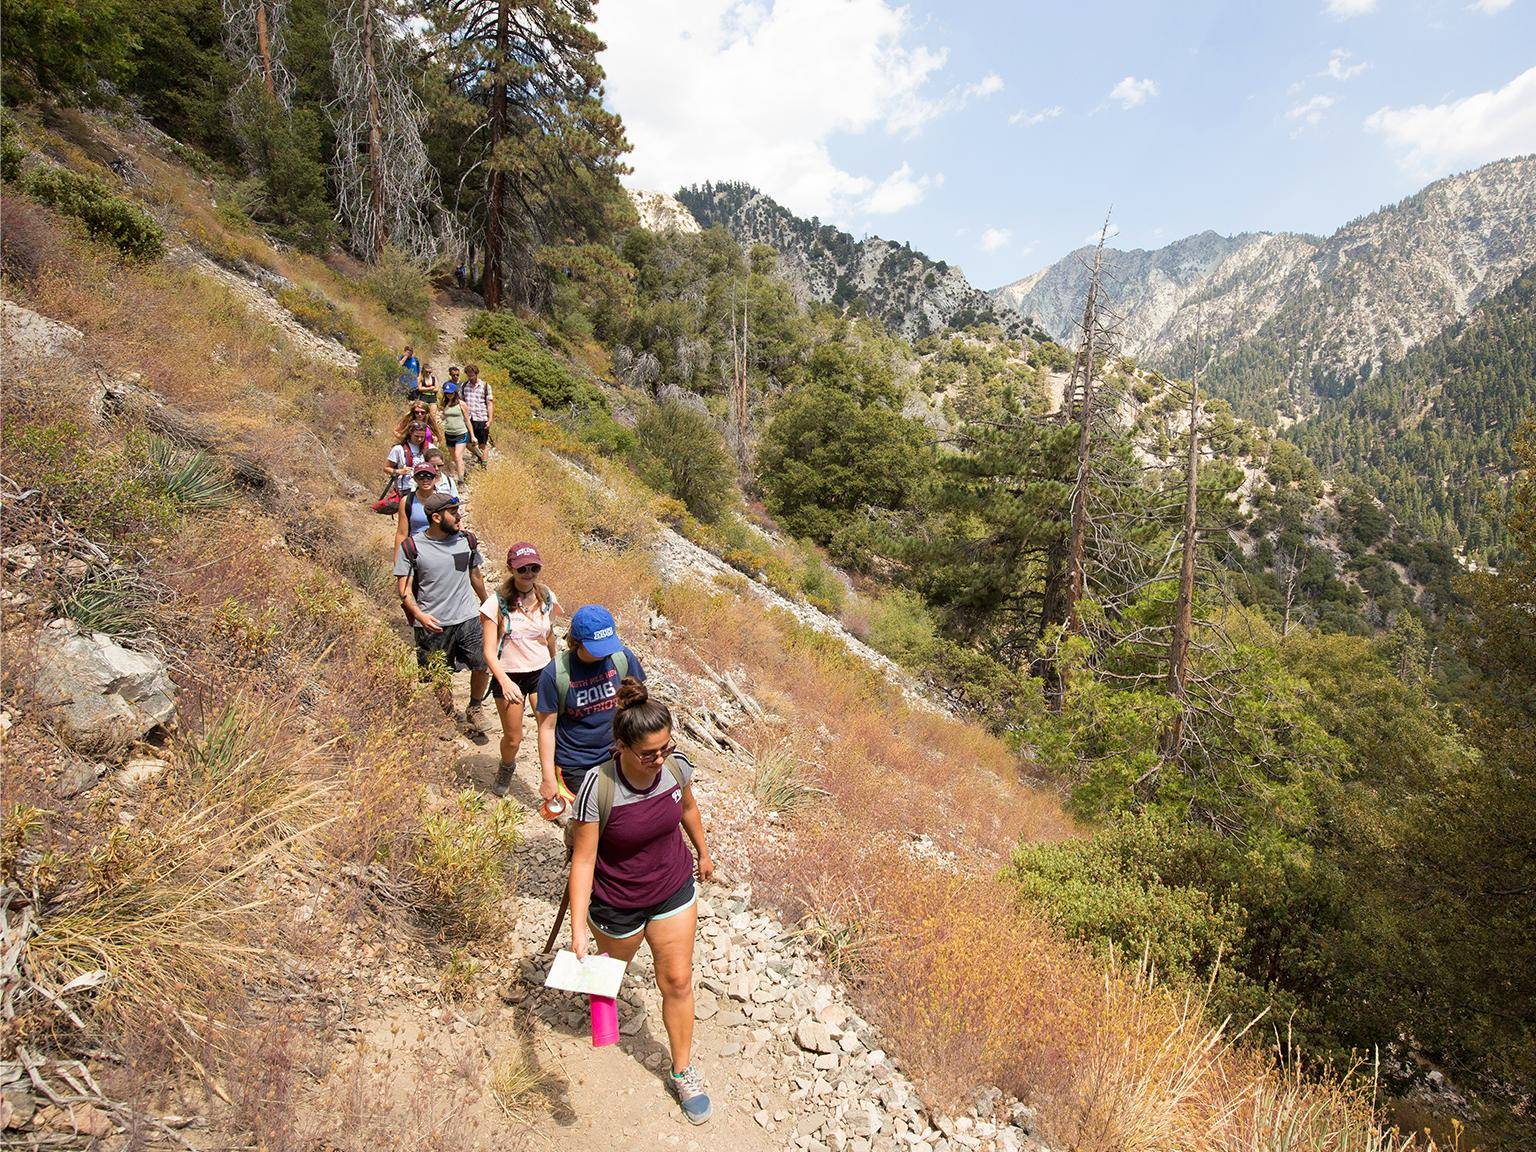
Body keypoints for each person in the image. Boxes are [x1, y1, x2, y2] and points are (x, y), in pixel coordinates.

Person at [568, 679, 715, 1125]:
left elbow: (687, 809)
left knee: (678, 980)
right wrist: (578, 927)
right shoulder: (599, 786)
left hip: (672, 888)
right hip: (617, 900)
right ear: (622, 747)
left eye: (666, 748)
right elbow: (584, 859)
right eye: (649, 754)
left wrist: (703, 852)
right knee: (610, 973)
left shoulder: (676, 769)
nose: (659, 760)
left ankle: (683, 1070)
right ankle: (602, 998)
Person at [394, 492, 491, 731]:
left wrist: (487, 605)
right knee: (439, 674)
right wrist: (420, 616)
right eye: (453, 513)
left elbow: (475, 576)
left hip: (467, 616)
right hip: (432, 622)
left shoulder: (466, 541)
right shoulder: (412, 547)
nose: (459, 517)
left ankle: (475, 707)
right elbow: (404, 590)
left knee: (482, 663)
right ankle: (447, 715)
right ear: (436, 518)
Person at [536, 605, 645, 812]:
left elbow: (638, 705)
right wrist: (548, 778)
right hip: (576, 764)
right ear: (577, 642)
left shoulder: (621, 658)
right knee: (591, 817)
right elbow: (547, 728)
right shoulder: (555, 674)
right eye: (598, 647)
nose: (605, 653)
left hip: (618, 755)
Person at [479, 543, 560, 796]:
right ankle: (507, 766)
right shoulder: (496, 603)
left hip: (541, 673)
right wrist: (504, 681)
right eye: (522, 568)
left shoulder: (546, 597)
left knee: (548, 729)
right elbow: (488, 651)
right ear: (510, 569)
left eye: (534, 568)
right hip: (509, 674)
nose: (529, 573)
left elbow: (549, 636)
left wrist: (556, 667)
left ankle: (551, 783)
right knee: (514, 738)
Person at [394, 461, 441, 550]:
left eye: (429, 476)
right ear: (415, 479)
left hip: (439, 549)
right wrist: (398, 557)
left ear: (435, 478)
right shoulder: (407, 501)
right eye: (421, 476)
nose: (425, 480)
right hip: (416, 550)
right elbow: (401, 533)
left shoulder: (442, 501)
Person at [461, 364, 493, 465]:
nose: (470, 376)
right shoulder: (464, 386)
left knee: (482, 443)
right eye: (468, 374)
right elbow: (462, 402)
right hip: (469, 418)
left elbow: (489, 403)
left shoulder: (485, 386)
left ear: (476, 373)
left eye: (472, 373)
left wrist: (490, 419)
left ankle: (483, 465)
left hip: (481, 417)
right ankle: (480, 456)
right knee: (467, 442)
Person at [439, 381, 471, 482]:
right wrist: (441, 418)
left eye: (451, 393)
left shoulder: (462, 404)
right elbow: (445, 415)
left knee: (458, 456)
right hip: (449, 434)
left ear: (455, 392)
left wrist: (473, 436)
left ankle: (461, 480)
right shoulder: (445, 404)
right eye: (447, 393)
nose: (449, 395)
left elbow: (467, 420)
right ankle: (464, 471)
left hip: (461, 433)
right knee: (455, 458)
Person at [386, 422, 430, 494]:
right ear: (410, 433)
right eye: (416, 436)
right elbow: (386, 468)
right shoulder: (398, 449)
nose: (419, 439)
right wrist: (400, 471)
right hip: (406, 488)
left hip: (424, 488)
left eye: (422, 437)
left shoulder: (429, 448)